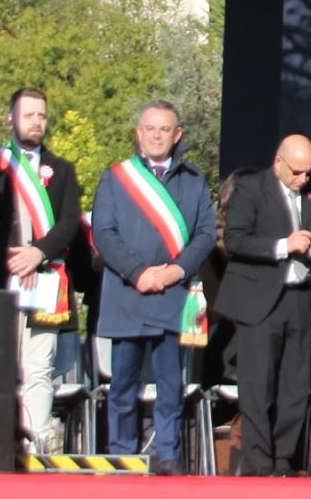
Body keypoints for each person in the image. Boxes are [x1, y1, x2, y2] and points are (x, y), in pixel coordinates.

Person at [91, 100, 218, 475]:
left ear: (177, 135)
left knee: (170, 385)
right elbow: (103, 232)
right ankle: (122, 454)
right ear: (138, 133)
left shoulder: (193, 180)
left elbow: (207, 233)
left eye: (165, 129)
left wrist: (176, 271)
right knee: (123, 386)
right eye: (150, 128)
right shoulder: (116, 177)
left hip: (172, 295)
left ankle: (168, 454)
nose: (157, 135)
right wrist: (137, 272)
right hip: (128, 293)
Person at [0, 87, 85, 455]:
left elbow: (69, 223)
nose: (37, 122)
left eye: (42, 116)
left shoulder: (62, 169)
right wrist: (13, 259)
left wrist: (39, 253)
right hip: (2, 280)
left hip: (47, 282)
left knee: (39, 366)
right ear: (11, 119)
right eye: (29, 115)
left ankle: (35, 443)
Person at [220, 134, 311, 476]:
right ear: (279, 163)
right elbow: (235, 240)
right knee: (257, 386)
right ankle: (259, 461)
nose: (304, 179)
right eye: (298, 172)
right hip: (260, 298)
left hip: (301, 298)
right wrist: (284, 245)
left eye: (309, 172)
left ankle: (284, 458)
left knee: (295, 386)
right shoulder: (252, 188)